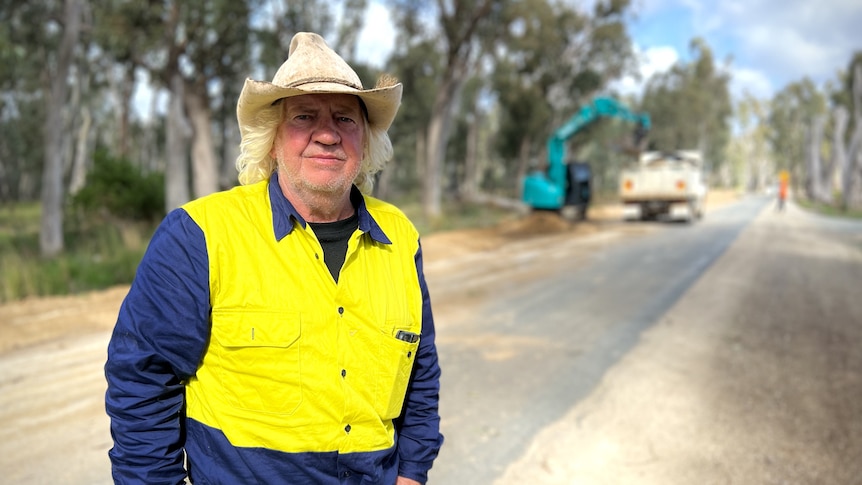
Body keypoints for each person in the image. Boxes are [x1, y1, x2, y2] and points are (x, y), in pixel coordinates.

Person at [105, 32, 443, 485]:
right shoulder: (200, 234)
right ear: (272, 139)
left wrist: (413, 473)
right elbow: (141, 380)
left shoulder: (399, 235)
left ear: (364, 140)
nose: (327, 135)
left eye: (345, 118)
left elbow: (420, 369)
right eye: (305, 117)